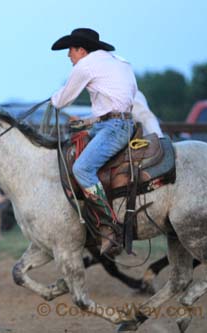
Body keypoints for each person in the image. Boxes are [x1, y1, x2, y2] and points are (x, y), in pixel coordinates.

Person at [50, 28, 137, 254]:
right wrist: (90, 122)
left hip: (113, 127)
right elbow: (123, 99)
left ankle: (109, 225)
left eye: (70, 50)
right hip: (119, 123)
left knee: (82, 168)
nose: (68, 55)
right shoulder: (121, 62)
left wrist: (52, 99)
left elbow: (62, 100)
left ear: (81, 49)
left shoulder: (85, 65)